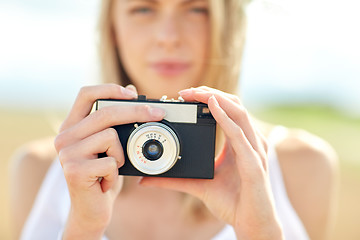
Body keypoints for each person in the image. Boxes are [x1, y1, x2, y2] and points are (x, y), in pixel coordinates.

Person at [10, 0, 338, 239]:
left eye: (195, 8)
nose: (168, 36)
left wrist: (260, 233)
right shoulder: (41, 172)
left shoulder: (301, 167)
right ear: (113, 29)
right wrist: (82, 228)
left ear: (228, 25)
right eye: (143, 8)